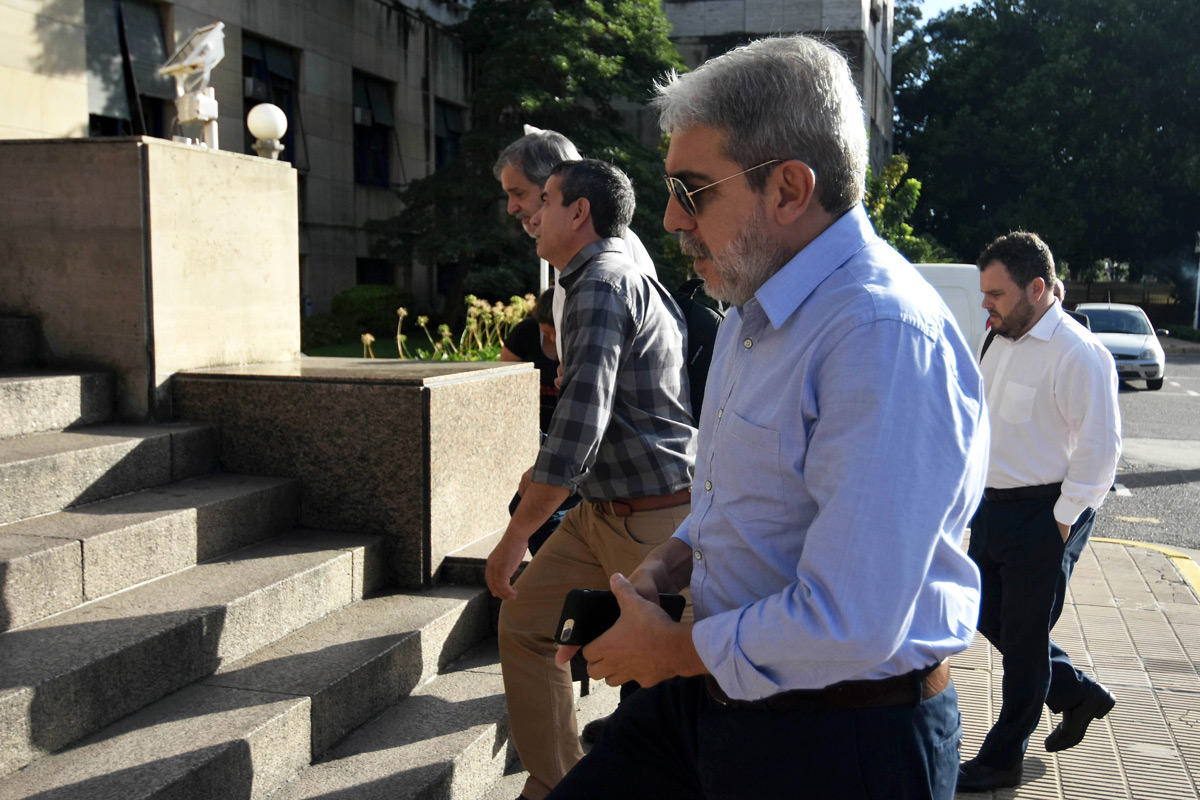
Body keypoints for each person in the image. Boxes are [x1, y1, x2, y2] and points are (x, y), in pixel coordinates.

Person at [546, 35, 988, 800]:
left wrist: (672, 651)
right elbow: (747, 498)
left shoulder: (879, 336)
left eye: (692, 190)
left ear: (788, 189)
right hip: (720, 694)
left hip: (845, 740)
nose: (670, 218)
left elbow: (852, 619)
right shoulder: (755, 311)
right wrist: (672, 561)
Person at [486, 159, 697, 800]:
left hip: (653, 518)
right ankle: (555, 784)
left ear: (579, 213)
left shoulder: (601, 283)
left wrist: (513, 538)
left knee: (674, 687)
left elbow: (580, 426)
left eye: (545, 200)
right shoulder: (605, 279)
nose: (531, 213)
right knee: (527, 627)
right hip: (602, 510)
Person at [957, 231, 1121, 792]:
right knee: (984, 612)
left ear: (1037, 288)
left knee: (1024, 642)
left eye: (996, 294)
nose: (986, 304)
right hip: (992, 507)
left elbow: (1101, 450)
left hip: (1046, 513)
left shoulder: (1080, 353)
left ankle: (1004, 758)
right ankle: (1076, 692)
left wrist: (1061, 521)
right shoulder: (998, 336)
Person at [494, 127, 657, 363]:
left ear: (554, 186)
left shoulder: (603, 270)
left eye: (518, 193)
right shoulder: (585, 256)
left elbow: (598, 374)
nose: (511, 208)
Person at [499, 289, 580, 555]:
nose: (553, 339)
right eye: (546, 333)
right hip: (534, 428)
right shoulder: (525, 333)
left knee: (537, 509)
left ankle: (556, 565)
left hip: (567, 437)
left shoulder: (581, 341)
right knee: (524, 504)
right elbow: (503, 379)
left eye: (557, 332)